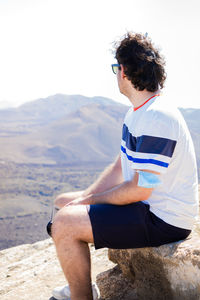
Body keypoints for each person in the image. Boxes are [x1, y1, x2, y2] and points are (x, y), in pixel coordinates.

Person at [48, 32, 199, 300]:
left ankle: (81, 296)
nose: (116, 74)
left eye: (116, 67)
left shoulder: (158, 118)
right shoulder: (138, 113)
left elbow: (142, 188)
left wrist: (90, 201)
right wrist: (84, 198)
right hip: (148, 207)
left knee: (64, 224)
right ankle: (80, 283)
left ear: (125, 71)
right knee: (63, 202)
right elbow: (121, 166)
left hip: (163, 219)